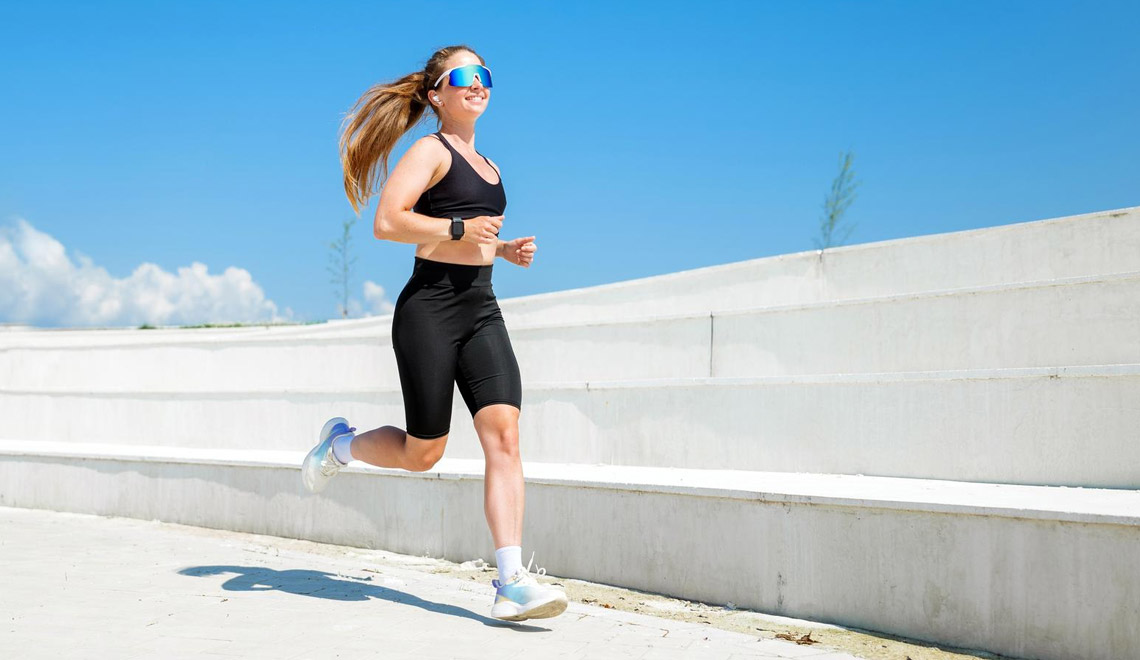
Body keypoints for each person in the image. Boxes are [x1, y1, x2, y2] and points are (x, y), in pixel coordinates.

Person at [300, 44, 568, 622]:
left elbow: (468, 231)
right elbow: (388, 221)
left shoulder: (491, 166)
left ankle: (511, 582)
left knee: (505, 436)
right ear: (435, 95)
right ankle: (339, 446)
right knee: (424, 453)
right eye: (463, 75)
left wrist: (501, 248)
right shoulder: (430, 150)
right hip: (430, 308)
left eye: (484, 74)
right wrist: (461, 229)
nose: (477, 83)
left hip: (482, 307)